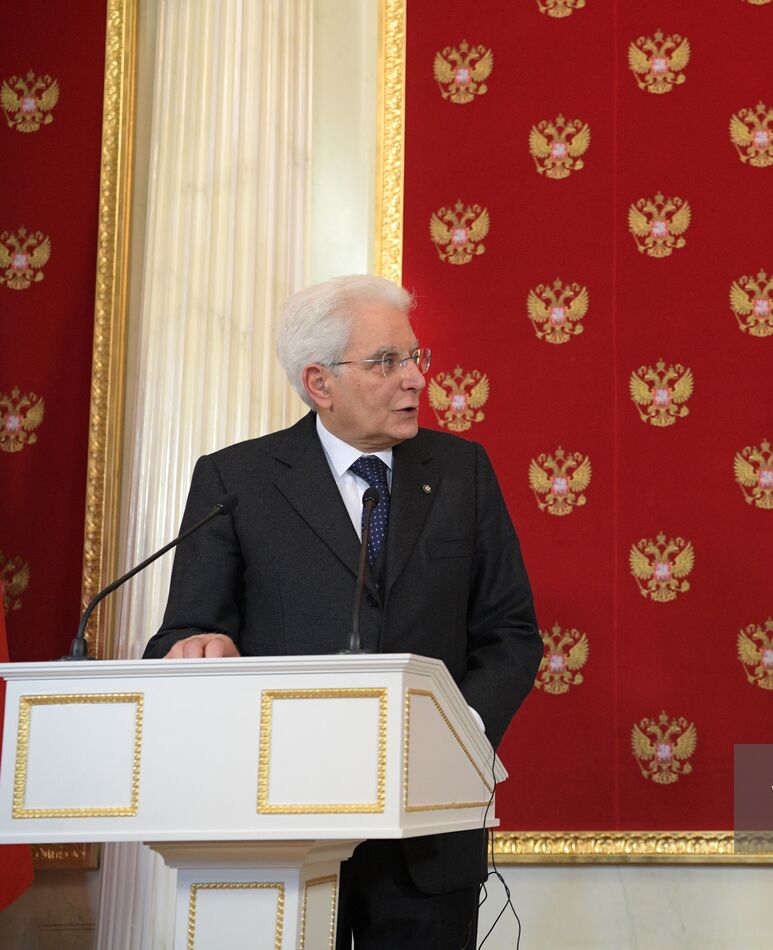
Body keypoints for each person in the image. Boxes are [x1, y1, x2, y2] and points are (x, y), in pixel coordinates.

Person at [144, 275, 540, 950]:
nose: (415, 378)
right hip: (282, 830)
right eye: (387, 362)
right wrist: (195, 647)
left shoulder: (462, 471)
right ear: (319, 382)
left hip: (429, 840)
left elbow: (510, 632)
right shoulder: (236, 481)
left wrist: (457, 730)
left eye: (417, 357)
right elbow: (183, 634)